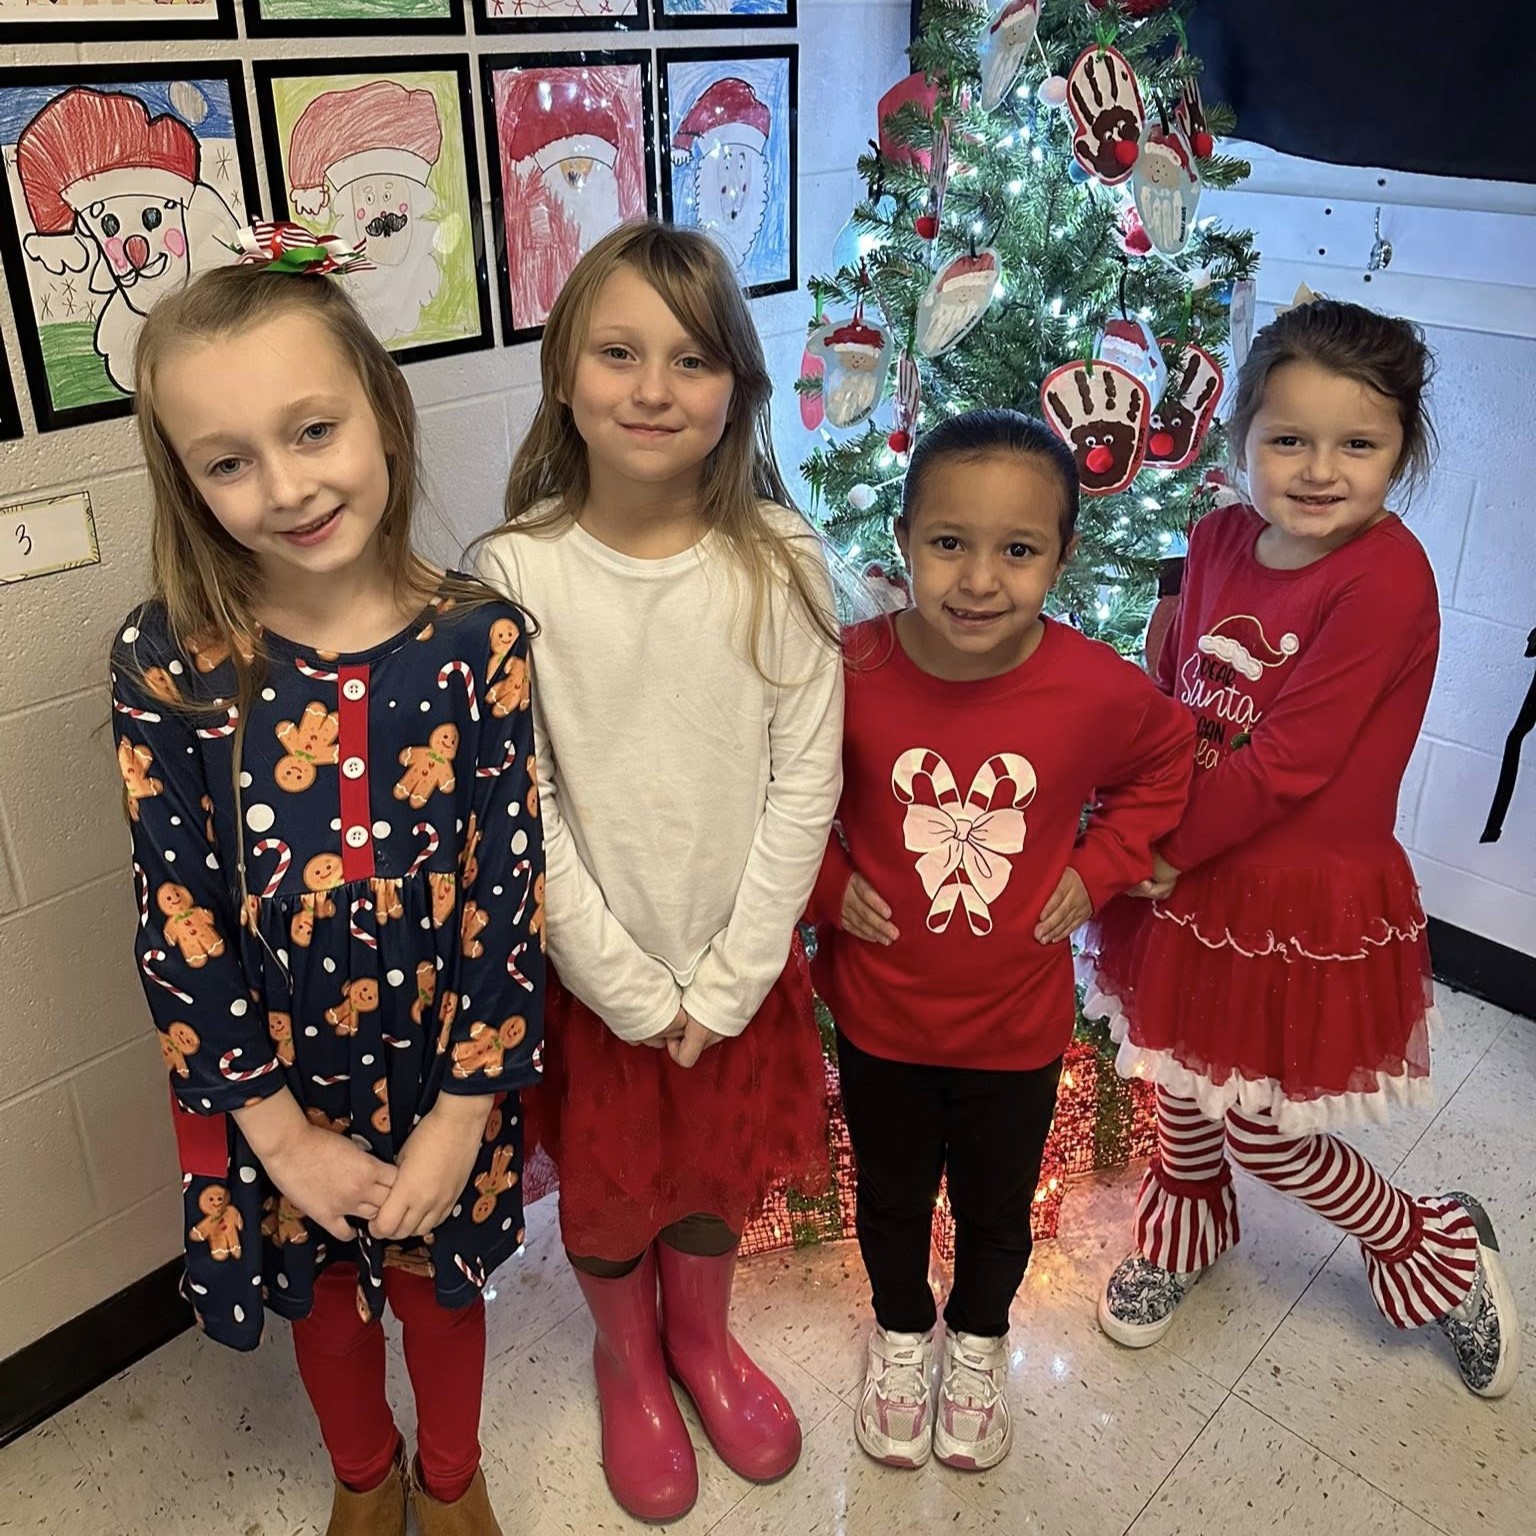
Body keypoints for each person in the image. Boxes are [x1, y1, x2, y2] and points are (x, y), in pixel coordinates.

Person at [111, 233, 546, 1536]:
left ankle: (453, 1476)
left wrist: (465, 1114)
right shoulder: (170, 660)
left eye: (312, 430)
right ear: (185, 483)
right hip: (275, 1082)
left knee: (437, 1291)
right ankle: (366, 1474)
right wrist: (277, 1135)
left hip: (439, 1068)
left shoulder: (481, 639)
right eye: (228, 462)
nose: (285, 487)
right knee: (329, 1304)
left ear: (382, 412)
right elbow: (176, 912)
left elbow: (504, 892)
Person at [1083, 298, 1520, 1399]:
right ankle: (1190, 1225)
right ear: (1242, 441)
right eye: (1289, 439)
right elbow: (1174, 687)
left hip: (1290, 891)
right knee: (1173, 1072)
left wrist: (1168, 845)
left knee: (1272, 1133)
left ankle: (1433, 1247)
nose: (1320, 470)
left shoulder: (1386, 578)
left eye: (1358, 445)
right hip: (1187, 868)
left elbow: (1292, 762)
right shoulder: (1220, 537)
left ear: (1400, 452)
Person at [477, 220, 843, 1522]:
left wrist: (736, 975)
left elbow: (807, 781)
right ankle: (628, 1360)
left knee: (714, 1180)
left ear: (736, 385)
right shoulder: (511, 578)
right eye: (619, 353)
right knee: (612, 1195)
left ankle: (700, 1339)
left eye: (691, 360)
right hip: (596, 984)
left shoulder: (782, 561)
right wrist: (636, 991)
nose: (651, 387)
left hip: (738, 977)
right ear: (565, 374)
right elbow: (522, 812)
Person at [807, 409, 1193, 1472]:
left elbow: (1167, 763)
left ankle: (976, 1344)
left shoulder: (1099, 689)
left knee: (995, 1215)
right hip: (880, 1017)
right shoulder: (849, 668)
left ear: (1062, 556)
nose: (979, 579)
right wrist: (829, 885)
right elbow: (779, 797)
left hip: (1015, 1031)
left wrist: (1100, 867)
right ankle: (898, 1334)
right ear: (903, 538)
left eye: (1017, 550)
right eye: (949, 543)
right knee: (886, 1199)